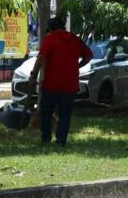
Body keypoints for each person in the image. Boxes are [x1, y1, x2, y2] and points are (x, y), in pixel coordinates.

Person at [27, 16, 93, 146]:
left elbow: (40, 58)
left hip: (52, 83)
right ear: (63, 27)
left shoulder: (50, 39)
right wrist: (77, 66)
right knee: (65, 114)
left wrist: (33, 75)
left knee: (46, 112)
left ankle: (46, 139)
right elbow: (89, 55)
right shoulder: (75, 39)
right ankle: (61, 141)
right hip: (70, 84)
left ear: (50, 29)